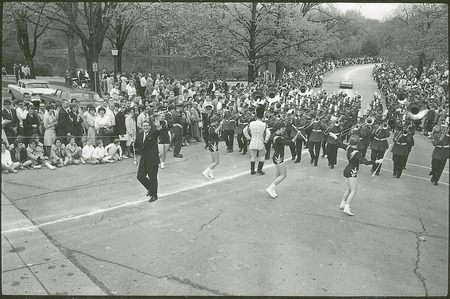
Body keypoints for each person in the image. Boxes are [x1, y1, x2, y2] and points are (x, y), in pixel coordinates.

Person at [328, 133, 383, 216]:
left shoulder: (347, 148)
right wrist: (377, 161)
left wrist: (334, 136)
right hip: (352, 171)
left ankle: (343, 203)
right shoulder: (356, 153)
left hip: (347, 169)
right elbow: (366, 162)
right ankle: (347, 207)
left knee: (349, 189)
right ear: (358, 143)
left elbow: (339, 143)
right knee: (353, 191)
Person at [266, 122, 299, 198]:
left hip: (277, 156)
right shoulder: (279, 138)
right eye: (282, 129)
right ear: (279, 129)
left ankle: (273, 188)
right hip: (278, 157)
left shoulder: (275, 135)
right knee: (283, 175)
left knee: (277, 175)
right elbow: (290, 143)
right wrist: (297, 135)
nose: (284, 130)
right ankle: (270, 188)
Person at [135, 120, 162, 202]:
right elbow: (137, 145)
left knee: (153, 177)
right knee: (140, 176)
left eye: (147, 126)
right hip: (144, 159)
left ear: (150, 127)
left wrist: (158, 128)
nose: (145, 127)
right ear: (141, 127)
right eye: (144, 126)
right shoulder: (139, 135)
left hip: (152, 159)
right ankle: (151, 188)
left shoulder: (152, 133)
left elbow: (157, 133)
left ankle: (154, 195)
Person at [243, 105, 271, 175]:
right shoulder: (264, 124)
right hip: (260, 141)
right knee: (262, 156)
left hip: (253, 141)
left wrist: (249, 138)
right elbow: (268, 133)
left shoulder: (251, 123)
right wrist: (266, 140)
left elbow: (244, 130)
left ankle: (252, 170)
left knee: (253, 156)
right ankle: (259, 170)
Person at [429, 119, 449, 186]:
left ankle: (436, 180)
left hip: (445, 152)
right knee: (434, 165)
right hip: (437, 150)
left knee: (441, 167)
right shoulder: (437, 133)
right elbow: (434, 142)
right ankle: (434, 173)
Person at [202, 115, 221, 179]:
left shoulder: (211, 127)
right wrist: (220, 126)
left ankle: (211, 172)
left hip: (213, 144)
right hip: (214, 144)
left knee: (213, 161)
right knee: (216, 161)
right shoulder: (211, 128)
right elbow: (215, 132)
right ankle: (206, 171)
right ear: (215, 121)